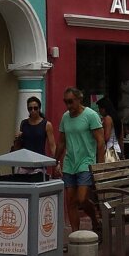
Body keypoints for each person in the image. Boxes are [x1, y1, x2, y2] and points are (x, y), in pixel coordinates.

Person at [54, 87, 105, 235]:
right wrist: (55, 160)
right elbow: (62, 142)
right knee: (70, 201)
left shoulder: (91, 115)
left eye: (70, 102)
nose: (68, 105)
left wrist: (99, 165)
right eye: (65, 102)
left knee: (82, 199)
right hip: (70, 163)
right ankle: (75, 235)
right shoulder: (65, 118)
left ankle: (95, 221)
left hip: (86, 161)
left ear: (79, 99)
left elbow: (100, 142)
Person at [13, 95, 57, 174]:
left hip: (39, 165)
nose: (33, 111)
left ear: (39, 109)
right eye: (30, 109)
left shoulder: (46, 124)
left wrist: (57, 162)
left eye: (35, 108)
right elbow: (18, 146)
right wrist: (17, 138)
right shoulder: (24, 123)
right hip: (24, 164)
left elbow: (52, 146)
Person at [96, 98, 122, 163]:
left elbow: (106, 137)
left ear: (104, 108)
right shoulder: (117, 119)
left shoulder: (107, 118)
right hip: (117, 149)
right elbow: (120, 138)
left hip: (109, 151)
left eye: (100, 108)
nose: (99, 111)